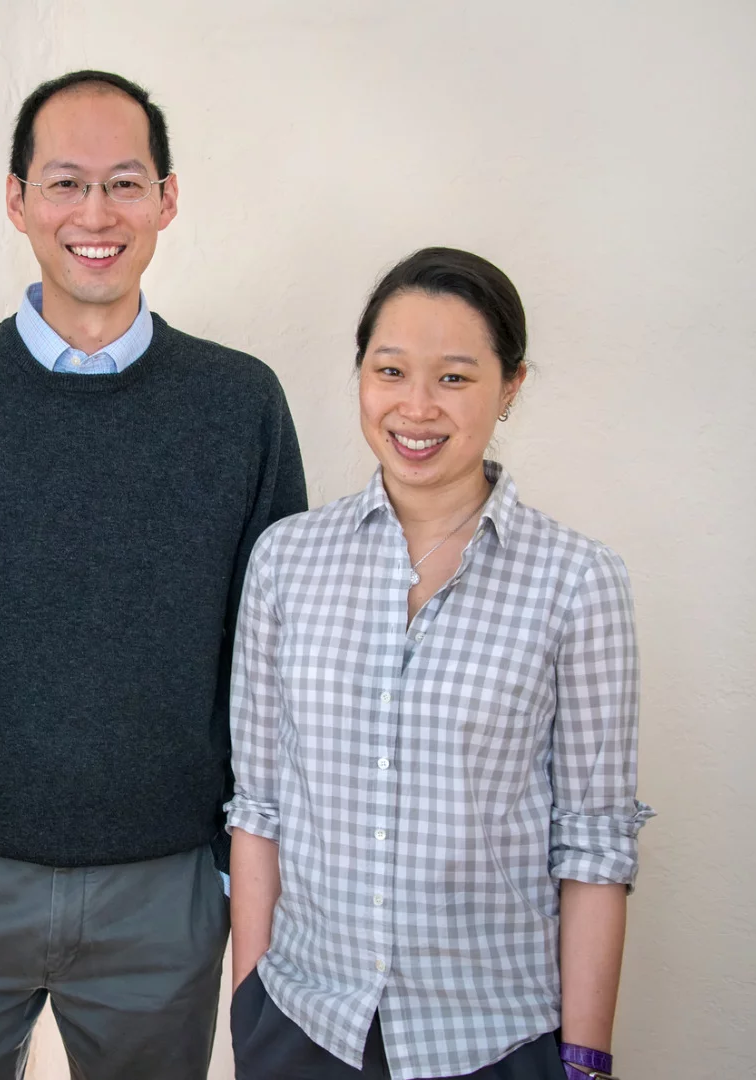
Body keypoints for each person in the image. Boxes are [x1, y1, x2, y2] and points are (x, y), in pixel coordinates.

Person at [0, 70, 308, 1080]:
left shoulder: (240, 403)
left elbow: (275, 657)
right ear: (16, 199)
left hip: (166, 886)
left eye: (124, 183)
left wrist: (237, 869)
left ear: (167, 199)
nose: (95, 215)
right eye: (65, 183)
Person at [227, 247, 653, 1080]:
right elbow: (261, 809)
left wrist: (585, 1058)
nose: (416, 407)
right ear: (361, 374)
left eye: (454, 378)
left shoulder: (577, 581)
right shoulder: (287, 560)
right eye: (390, 371)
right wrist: (250, 1008)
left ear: (510, 387)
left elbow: (595, 844)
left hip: (493, 1039)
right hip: (305, 1024)